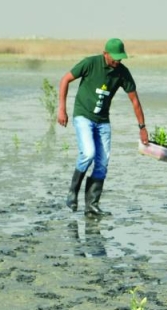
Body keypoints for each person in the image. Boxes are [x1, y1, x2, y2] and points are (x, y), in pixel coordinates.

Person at [58, 38, 149, 217]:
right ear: (105, 53)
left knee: (102, 163)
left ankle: (91, 205)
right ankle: (72, 192)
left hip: (103, 120)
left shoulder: (123, 72)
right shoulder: (90, 63)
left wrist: (142, 127)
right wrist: (62, 109)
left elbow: (135, 100)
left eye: (120, 58)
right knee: (88, 153)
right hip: (83, 115)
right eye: (114, 58)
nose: (117, 61)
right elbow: (65, 80)